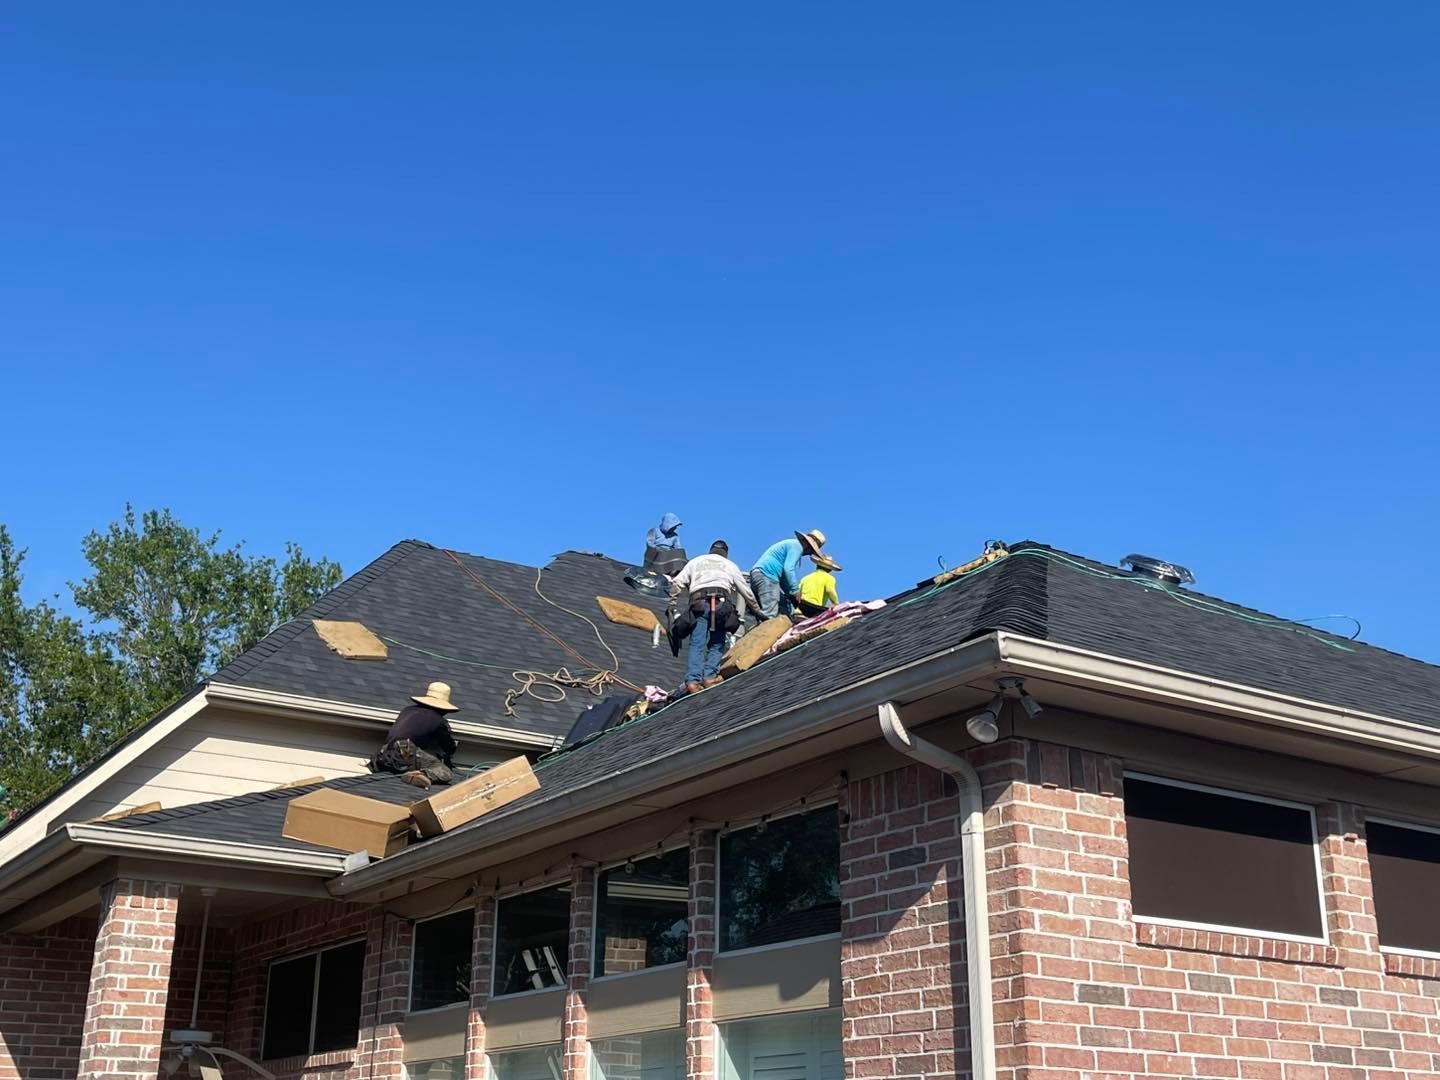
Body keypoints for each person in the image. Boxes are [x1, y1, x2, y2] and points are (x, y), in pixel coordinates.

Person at [669, 540, 761, 692]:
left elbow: (677, 583)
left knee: (697, 644)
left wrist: (672, 603)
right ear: (725, 553)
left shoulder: (696, 562)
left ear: (710, 551)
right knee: (717, 643)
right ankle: (709, 677)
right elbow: (745, 590)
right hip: (721, 605)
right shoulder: (730, 565)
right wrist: (757, 610)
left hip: (699, 604)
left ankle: (692, 681)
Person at [372, 681, 460, 788]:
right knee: (445, 772)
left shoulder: (407, 710)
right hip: (407, 753)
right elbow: (448, 747)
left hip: (384, 755)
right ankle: (420, 775)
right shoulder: (438, 720)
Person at [749, 529, 827, 619]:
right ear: (809, 546)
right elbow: (788, 569)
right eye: (811, 551)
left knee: (783, 607)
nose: (808, 554)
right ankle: (763, 631)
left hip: (761, 575)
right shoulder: (797, 546)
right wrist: (795, 591)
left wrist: (790, 594)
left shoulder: (791, 544)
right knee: (770, 614)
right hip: (767, 575)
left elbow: (783, 576)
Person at [795, 553, 842, 617]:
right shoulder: (829, 578)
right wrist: (836, 604)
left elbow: (797, 592)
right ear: (830, 569)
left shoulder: (806, 577)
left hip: (802, 606)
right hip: (815, 608)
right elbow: (830, 591)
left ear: (817, 566)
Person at [642, 512, 687, 577]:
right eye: (673, 526)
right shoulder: (654, 531)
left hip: (668, 556)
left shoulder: (674, 536)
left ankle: (674, 574)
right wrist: (659, 549)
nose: (674, 529)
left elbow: (678, 548)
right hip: (655, 555)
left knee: (680, 555)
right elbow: (650, 544)